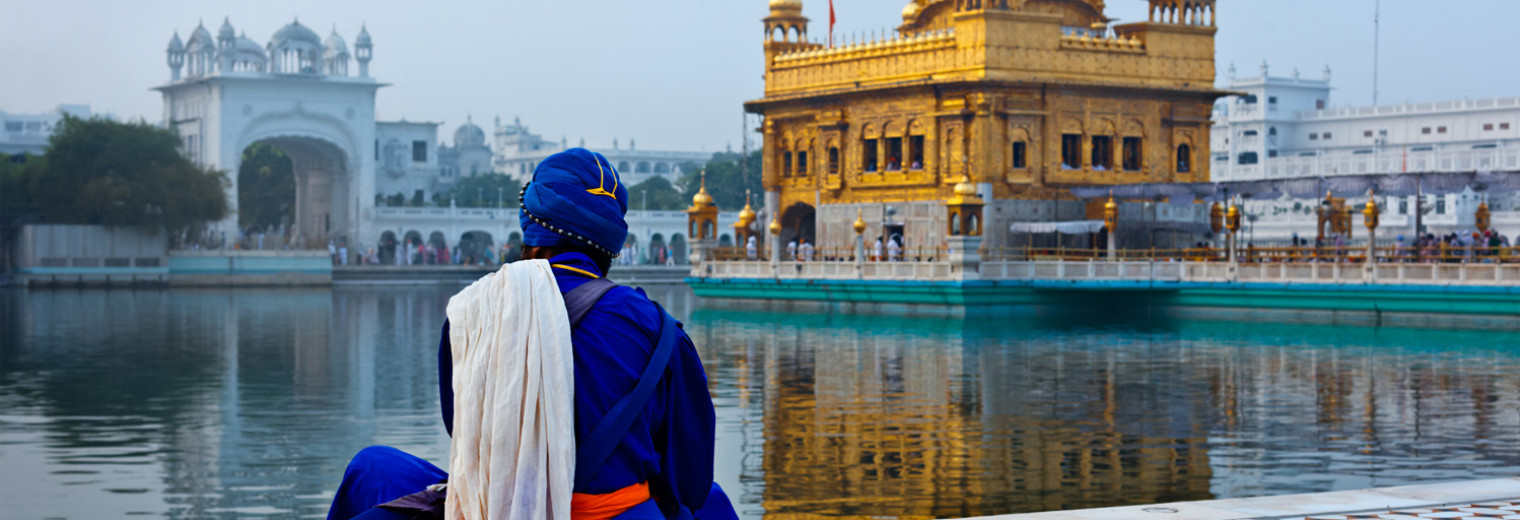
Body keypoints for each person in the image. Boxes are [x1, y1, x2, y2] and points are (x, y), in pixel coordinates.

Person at [326, 148, 734, 520]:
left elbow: (463, 430)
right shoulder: (659, 329)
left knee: (371, 465)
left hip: (495, 506)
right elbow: (691, 481)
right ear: (609, 250)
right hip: (614, 514)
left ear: (532, 240)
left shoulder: (472, 310)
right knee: (712, 500)